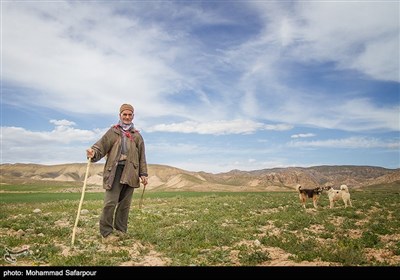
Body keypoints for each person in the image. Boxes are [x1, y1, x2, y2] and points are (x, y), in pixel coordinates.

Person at [86, 103, 148, 242]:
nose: (127, 117)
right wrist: (93, 152)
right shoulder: (113, 132)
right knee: (110, 202)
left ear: (133, 116)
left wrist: (143, 174)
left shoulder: (137, 136)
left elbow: (141, 157)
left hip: (131, 172)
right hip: (115, 171)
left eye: (129, 114)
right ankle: (106, 233)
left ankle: (120, 231)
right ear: (120, 115)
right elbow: (100, 146)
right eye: (124, 114)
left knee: (125, 205)